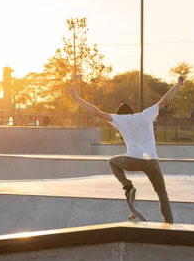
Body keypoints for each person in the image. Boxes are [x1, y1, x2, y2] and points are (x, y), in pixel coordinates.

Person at [68, 76, 184, 224]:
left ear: (119, 114)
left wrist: (77, 98)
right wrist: (178, 84)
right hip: (152, 162)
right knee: (162, 193)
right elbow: (165, 100)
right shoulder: (146, 115)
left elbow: (96, 112)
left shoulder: (119, 120)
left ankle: (127, 185)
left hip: (132, 161)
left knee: (112, 162)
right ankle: (169, 223)